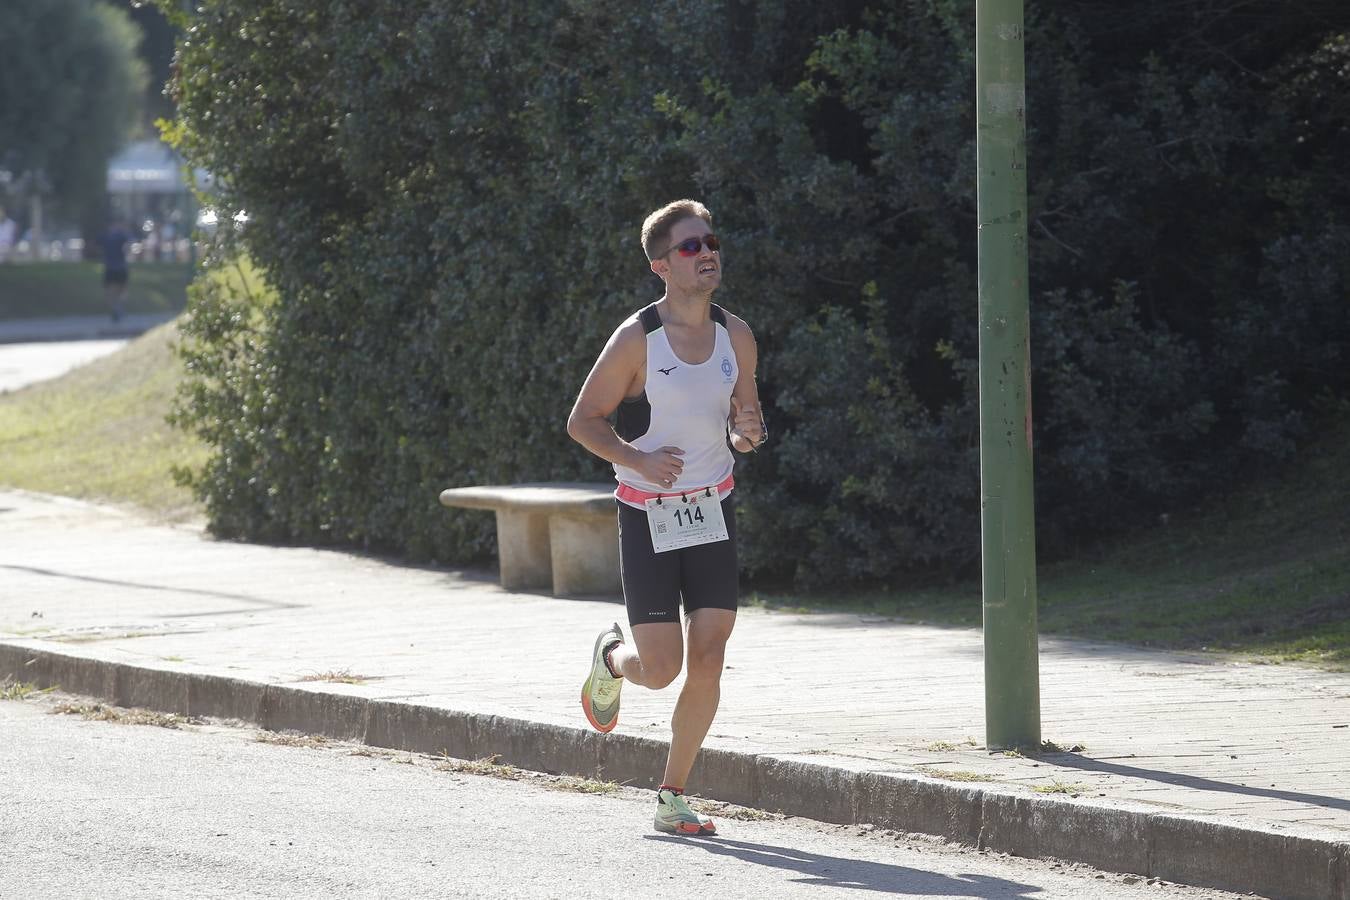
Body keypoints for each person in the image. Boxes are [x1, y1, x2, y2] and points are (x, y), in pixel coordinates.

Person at [567, 199, 767, 836]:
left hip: (712, 509)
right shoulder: (637, 340)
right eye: (690, 247)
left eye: (710, 241)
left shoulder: (737, 335)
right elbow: (583, 422)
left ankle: (672, 795)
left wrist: (748, 435)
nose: (707, 253)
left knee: (709, 653)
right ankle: (611, 657)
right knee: (661, 670)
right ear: (661, 265)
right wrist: (636, 459)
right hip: (647, 515)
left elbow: (743, 425)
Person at [102, 221, 130, 322]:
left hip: (111, 267)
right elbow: (128, 246)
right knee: (119, 290)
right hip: (119, 267)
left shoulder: (106, 237)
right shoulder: (122, 236)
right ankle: (118, 308)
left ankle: (116, 308)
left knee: (112, 291)